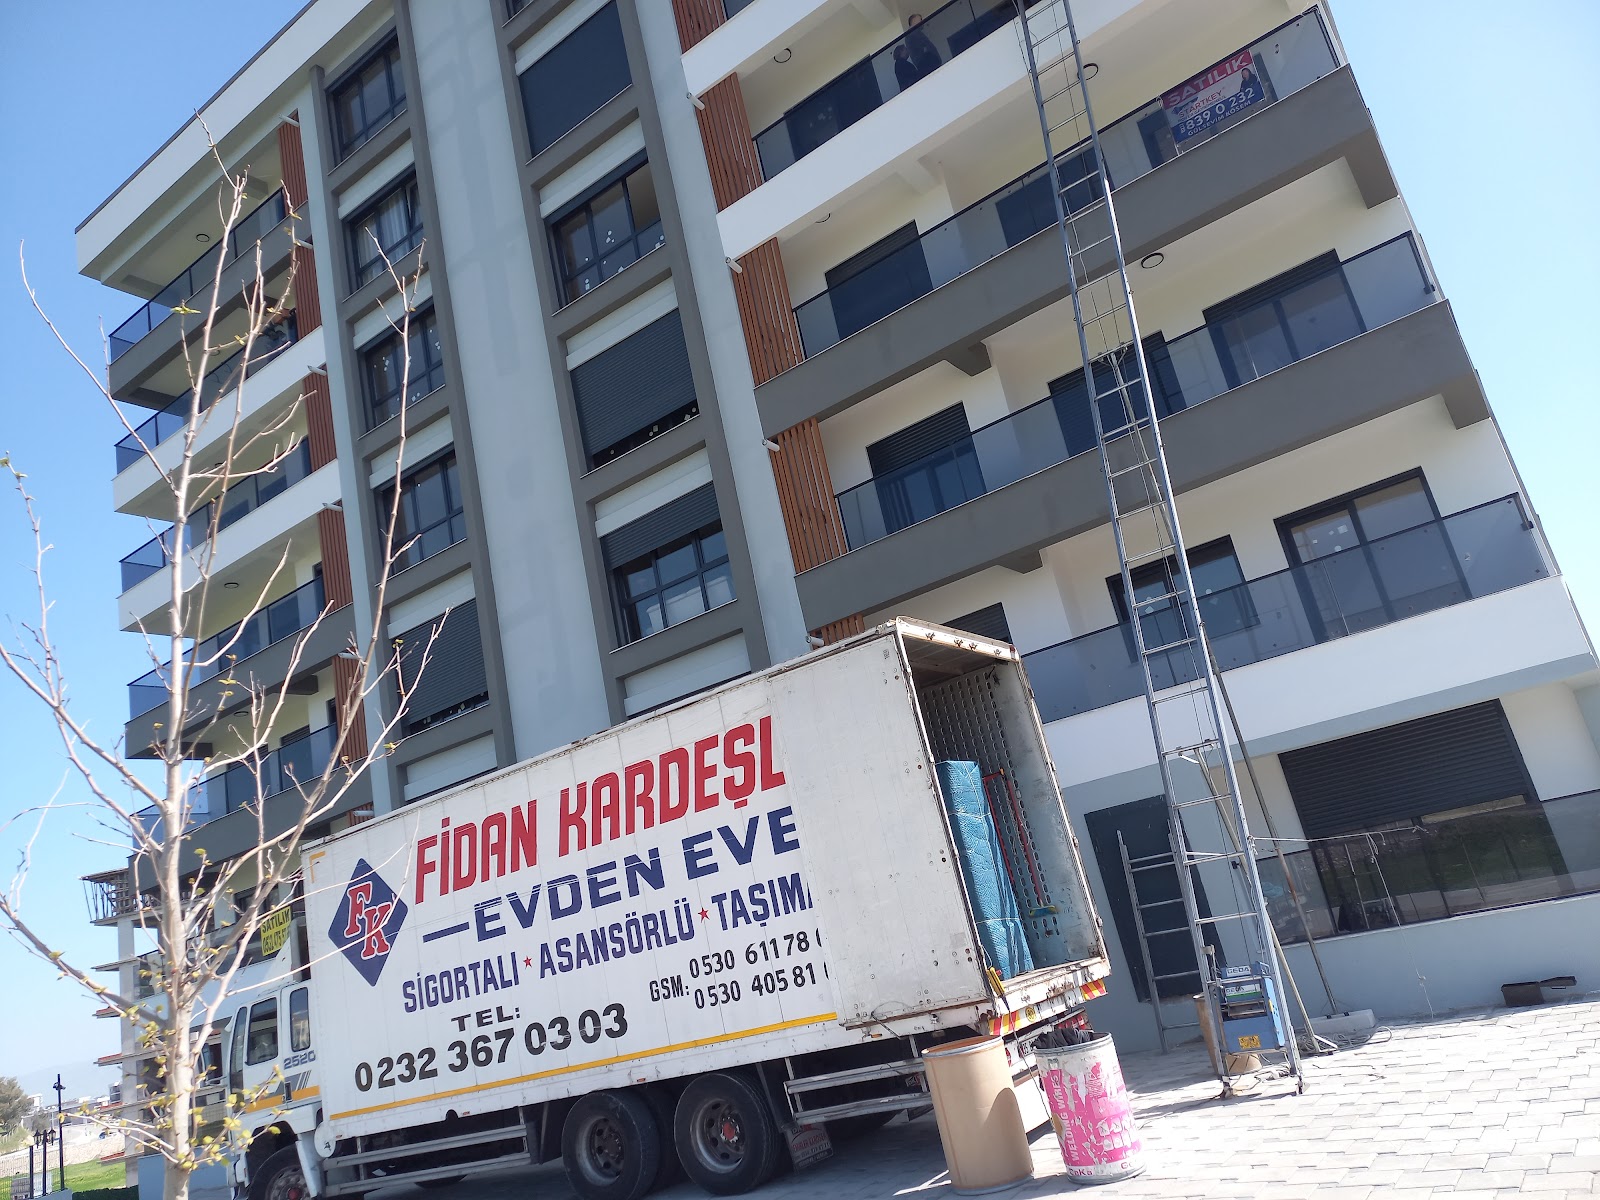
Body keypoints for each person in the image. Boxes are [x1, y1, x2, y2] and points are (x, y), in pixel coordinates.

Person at [906, 13, 941, 79]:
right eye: (920, 19)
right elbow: (922, 48)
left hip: (930, 62)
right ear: (914, 21)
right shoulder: (912, 34)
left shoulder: (917, 33)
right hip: (927, 64)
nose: (922, 22)